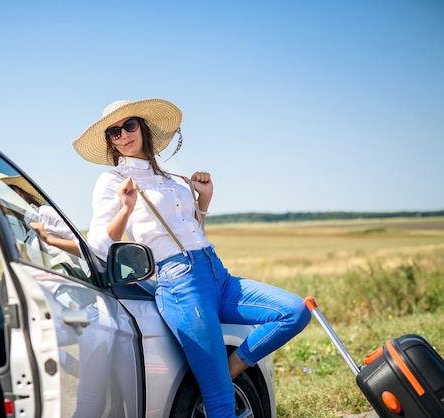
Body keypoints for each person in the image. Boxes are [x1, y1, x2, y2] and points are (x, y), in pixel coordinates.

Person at [72, 98, 311, 417]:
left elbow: (192, 233)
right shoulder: (113, 182)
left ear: (142, 127)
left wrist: (204, 200)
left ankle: (229, 369)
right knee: (221, 399)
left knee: (294, 311)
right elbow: (99, 243)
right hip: (180, 286)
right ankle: (219, 380)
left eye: (129, 125)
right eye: (114, 132)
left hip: (216, 274)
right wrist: (126, 208)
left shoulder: (173, 179)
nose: (124, 135)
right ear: (110, 142)